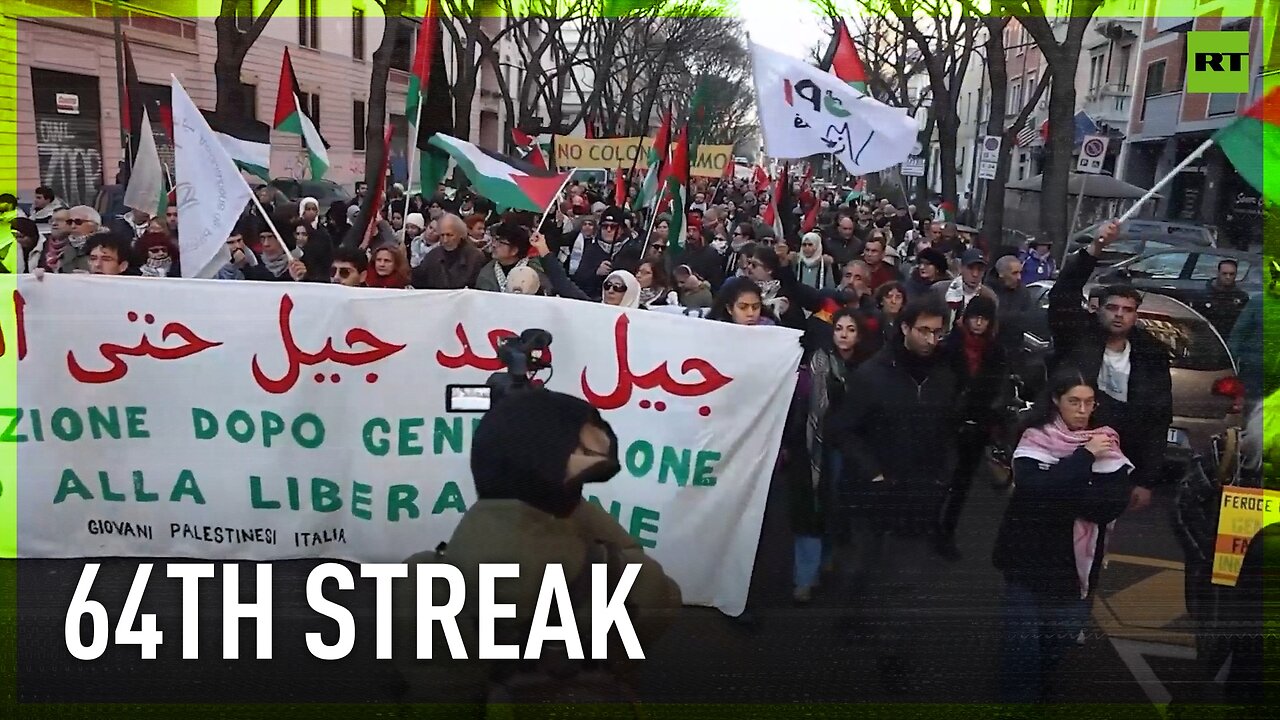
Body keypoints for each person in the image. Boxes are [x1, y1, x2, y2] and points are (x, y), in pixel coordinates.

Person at [392, 389, 682, 705]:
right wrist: (566, 497)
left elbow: (433, 692)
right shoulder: (628, 578)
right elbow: (661, 595)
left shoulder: (422, 582)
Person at [834, 295, 957, 691]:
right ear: (904, 328)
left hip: (918, 494)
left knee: (905, 579)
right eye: (924, 330)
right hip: (872, 493)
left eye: (938, 332)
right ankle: (852, 617)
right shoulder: (872, 375)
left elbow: (947, 431)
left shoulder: (944, 377)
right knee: (861, 565)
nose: (931, 340)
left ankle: (892, 652)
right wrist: (872, 472)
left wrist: (942, 476)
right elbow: (843, 428)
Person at [993, 367, 1133, 704]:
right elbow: (1034, 489)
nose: (1083, 411)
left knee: (1060, 640)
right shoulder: (1035, 439)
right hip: (1029, 562)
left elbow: (1109, 505)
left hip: (1075, 571)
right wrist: (1084, 459)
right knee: (1022, 653)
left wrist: (1060, 487)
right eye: (1074, 402)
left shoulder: (1107, 442)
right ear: (1057, 400)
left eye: (1089, 402)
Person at [1049, 220, 1171, 510]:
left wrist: (1146, 480)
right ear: (1098, 309)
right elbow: (1063, 294)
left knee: (1100, 532)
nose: (1119, 315)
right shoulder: (1077, 336)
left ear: (1136, 316)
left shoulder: (1150, 355)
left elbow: (1158, 419)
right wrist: (1095, 248)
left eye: (1128, 310)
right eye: (1112, 308)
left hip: (1118, 459)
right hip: (1068, 449)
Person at [795, 308, 871, 602]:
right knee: (810, 509)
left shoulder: (867, 369)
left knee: (836, 507)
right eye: (839, 328)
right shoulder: (818, 362)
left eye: (851, 329)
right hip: (813, 448)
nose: (843, 334)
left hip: (847, 451)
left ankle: (827, 557)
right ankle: (804, 577)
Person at [934, 295, 1006, 560]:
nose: (979, 324)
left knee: (962, 483)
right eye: (975, 317)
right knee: (940, 476)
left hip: (978, 426)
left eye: (984, 319)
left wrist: (989, 418)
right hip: (948, 423)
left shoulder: (996, 351)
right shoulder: (949, 347)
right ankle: (929, 523)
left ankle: (947, 531)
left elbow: (998, 388)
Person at [412, 213, 485, 289]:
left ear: (460, 234)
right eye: (442, 235)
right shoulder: (432, 256)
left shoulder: (475, 257)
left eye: (449, 235)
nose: (445, 240)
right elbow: (419, 279)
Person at [475, 222, 545, 293]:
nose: (494, 245)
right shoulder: (487, 272)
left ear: (514, 250)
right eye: (495, 240)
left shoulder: (536, 272)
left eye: (500, 242)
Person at [707, 277, 773, 325]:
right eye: (743, 307)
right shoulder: (716, 328)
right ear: (729, 309)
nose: (751, 313)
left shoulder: (770, 329)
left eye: (755, 307)